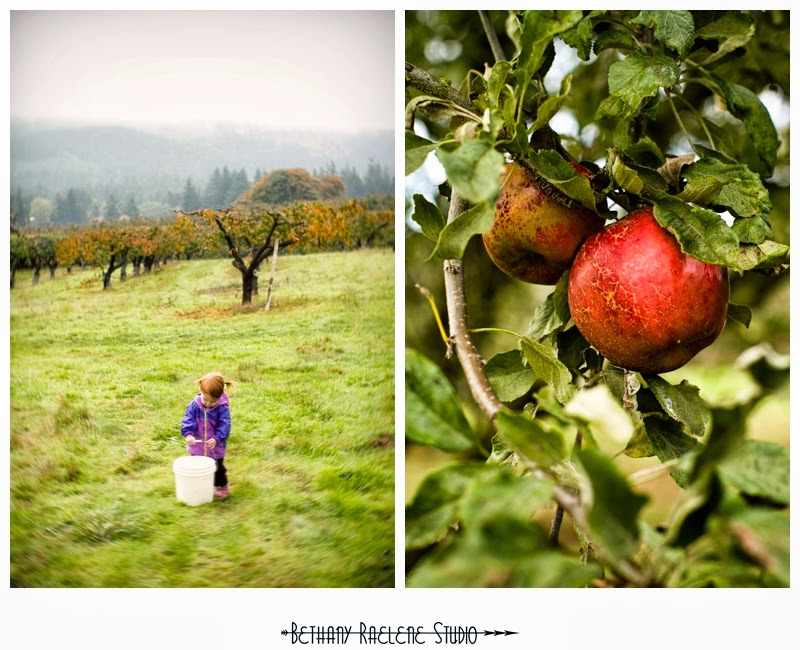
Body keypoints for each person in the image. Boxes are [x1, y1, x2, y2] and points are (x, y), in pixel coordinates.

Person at [181, 371, 234, 500]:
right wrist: (188, 434)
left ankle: (222, 487)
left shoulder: (222, 408)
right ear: (200, 390)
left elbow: (224, 425)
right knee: (198, 468)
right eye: (205, 399)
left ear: (220, 396)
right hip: (197, 446)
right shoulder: (194, 405)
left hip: (215, 447)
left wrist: (217, 438)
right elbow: (188, 419)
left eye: (213, 401)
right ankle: (203, 487)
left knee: (218, 469)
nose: (208, 403)